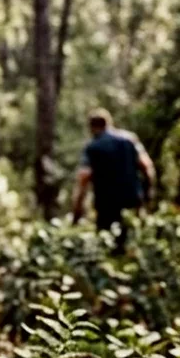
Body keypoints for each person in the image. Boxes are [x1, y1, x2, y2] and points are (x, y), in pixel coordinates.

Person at [72, 108, 156, 252]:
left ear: (92, 128)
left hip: (106, 205)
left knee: (107, 246)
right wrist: (148, 194)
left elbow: (84, 177)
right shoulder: (130, 140)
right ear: (109, 123)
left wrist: (77, 211)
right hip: (132, 200)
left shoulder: (93, 147)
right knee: (133, 244)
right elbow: (147, 166)